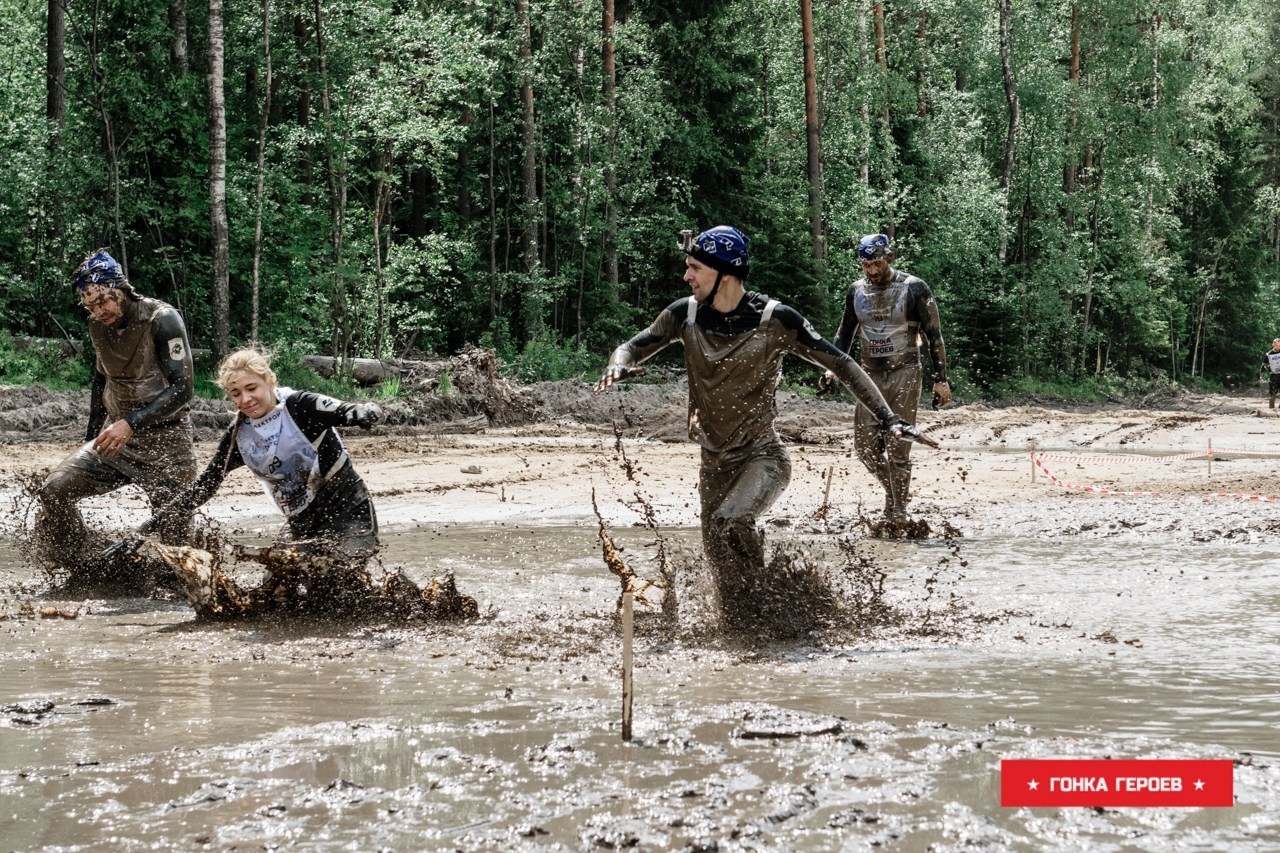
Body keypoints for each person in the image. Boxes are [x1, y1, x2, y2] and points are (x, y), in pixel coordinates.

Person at [595, 225, 929, 633]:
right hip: (713, 465)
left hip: (763, 457)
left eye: (695, 268)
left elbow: (842, 363)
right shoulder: (685, 314)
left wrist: (889, 419)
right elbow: (632, 345)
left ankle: (778, 615)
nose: (687, 277)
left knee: (732, 521)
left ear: (725, 273)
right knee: (723, 568)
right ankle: (756, 625)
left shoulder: (777, 319)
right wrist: (617, 363)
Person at [138, 349, 382, 578]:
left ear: (270, 381)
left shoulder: (300, 405)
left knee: (341, 576)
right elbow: (206, 483)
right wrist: (154, 522)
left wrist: (364, 412)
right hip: (301, 522)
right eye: (236, 393)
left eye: (251, 388)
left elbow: (348, 409)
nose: (246, 399)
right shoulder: (239, 436)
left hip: (347, 508)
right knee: (275, 589)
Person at [35, 248, 198, 564]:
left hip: (168, 442)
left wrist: (131, 422)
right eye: (90, 305)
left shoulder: (162, 319)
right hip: (116, 438)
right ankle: (84, 564)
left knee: (176, 549)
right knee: (53, 491)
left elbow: (184, 389)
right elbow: (101, 380)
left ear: (122, 289)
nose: (98, 311)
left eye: (104, 301)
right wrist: (91, 434)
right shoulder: (96, 326)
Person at [818, 233, 950, 525]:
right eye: (866, 265)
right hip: (868, 375)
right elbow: (844, 334)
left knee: (898, 445)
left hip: (905, 372)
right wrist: (831, 368)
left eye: (877, 263)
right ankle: (895, 494)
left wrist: (941, 378)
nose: (873, 271)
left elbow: (934, 334)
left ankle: (898, 513)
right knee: (865, 448)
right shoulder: (856, 291)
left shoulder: (914, 288)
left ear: (889, 257)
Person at [1262, 338, 1280, 409]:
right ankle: (1271, 408)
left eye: (1279, 346)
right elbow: (1264, 365)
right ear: (1273, 345)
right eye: (1276, 345)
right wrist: (1262, 375)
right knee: (1272, 393)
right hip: (1273, 375)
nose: (1277, 347)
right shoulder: (1269, 354)